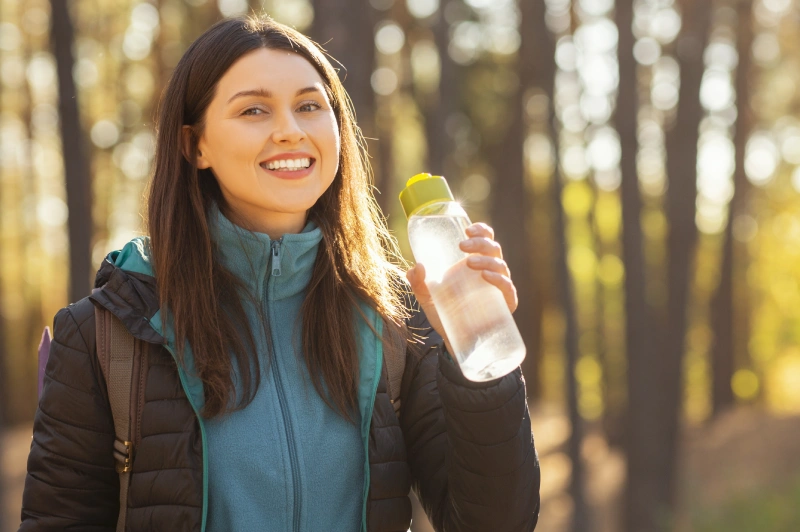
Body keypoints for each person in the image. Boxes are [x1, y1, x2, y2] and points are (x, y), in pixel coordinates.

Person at [19, 16, 540, 532]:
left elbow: (495, 522)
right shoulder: (103, 335)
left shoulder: (398, 320)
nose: (290, 130)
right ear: (194, 145)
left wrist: (478, 362)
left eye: (310, 105)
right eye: (254, 109)